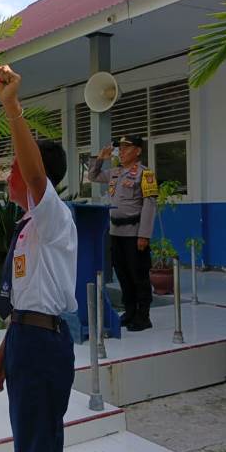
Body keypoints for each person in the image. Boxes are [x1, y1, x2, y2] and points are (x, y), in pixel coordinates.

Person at [0, 66, 77, 452]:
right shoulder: (28, 228)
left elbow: (37, 178)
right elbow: (25, 306)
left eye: (15, 167)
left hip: (41, 347)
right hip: (29, 340)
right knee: (48, 448)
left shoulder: (52, 216)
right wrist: (3, 357)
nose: (9, 175)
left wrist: (11, 106)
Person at [89, 137, 158, 331]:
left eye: (127, 147)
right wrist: (100, 158)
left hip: (134, 233)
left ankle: (143, 316)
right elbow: (93, 176)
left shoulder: (145, 174)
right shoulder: (115, 172)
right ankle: (130, 311)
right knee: (122, 274)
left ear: (138, 151)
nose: (122, 151)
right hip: (116, 232)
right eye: (120, 148)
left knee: (138, 274)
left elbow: (150, 205)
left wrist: (144, 235)